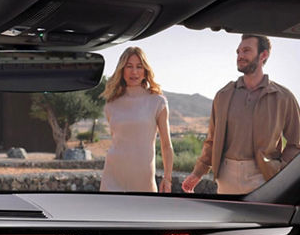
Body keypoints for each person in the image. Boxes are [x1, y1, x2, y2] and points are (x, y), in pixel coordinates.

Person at [182, 34, 300, 195]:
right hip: (226, 177)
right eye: (238, 52)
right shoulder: (223, 95)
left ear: (263, 55)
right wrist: (198, 172)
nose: (240, 56)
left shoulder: (283, 97)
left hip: (263, 177)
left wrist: (280, 171)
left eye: (246, 51)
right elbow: (212, 140)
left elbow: (296, 142)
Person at [100, 47, 173, 193]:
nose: (134, 72)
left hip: (144, 181)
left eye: (139, 67)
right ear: (122, 70)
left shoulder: (158, 102)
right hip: (112, 178)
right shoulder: (111, 104)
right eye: (129, 66)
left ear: (145, 70)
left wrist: (167, 177)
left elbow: (166, 145)